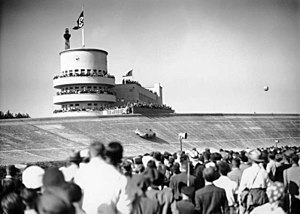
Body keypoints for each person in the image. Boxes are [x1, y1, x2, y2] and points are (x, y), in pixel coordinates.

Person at [74, 141, 132, 214]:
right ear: (104, 153)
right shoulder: (119, 176)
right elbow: (125, 209)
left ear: (89, 154)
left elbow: (75, 201)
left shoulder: (81, 172)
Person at [238, 149, 269, 214]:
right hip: (262, 197)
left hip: (251, 197)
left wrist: (240, 200)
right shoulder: (264, 172)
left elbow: (242, 187)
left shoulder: (247, 171)